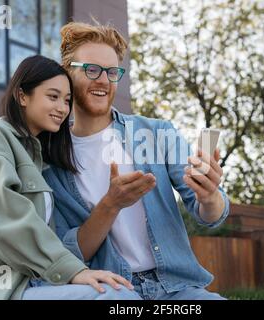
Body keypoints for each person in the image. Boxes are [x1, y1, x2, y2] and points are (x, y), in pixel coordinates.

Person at [43, 22, 231, 300]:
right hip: (114, 288)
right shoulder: (52, 162)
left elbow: (210, 216)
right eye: (91, 70)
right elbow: (71, 254)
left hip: (177, 287)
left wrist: (209, 196)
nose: (103, 81)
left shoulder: (157, 133)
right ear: (67, 73)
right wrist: (111, 204)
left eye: (112, 72)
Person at [0, 55, 136, 300]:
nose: (62, 108)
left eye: (67, 100)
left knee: (119, 292)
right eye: (53, 96)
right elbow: (7, 224)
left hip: (34, 285)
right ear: (22, 96)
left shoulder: (38, 158)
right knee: (116, 298)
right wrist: (73, 271)